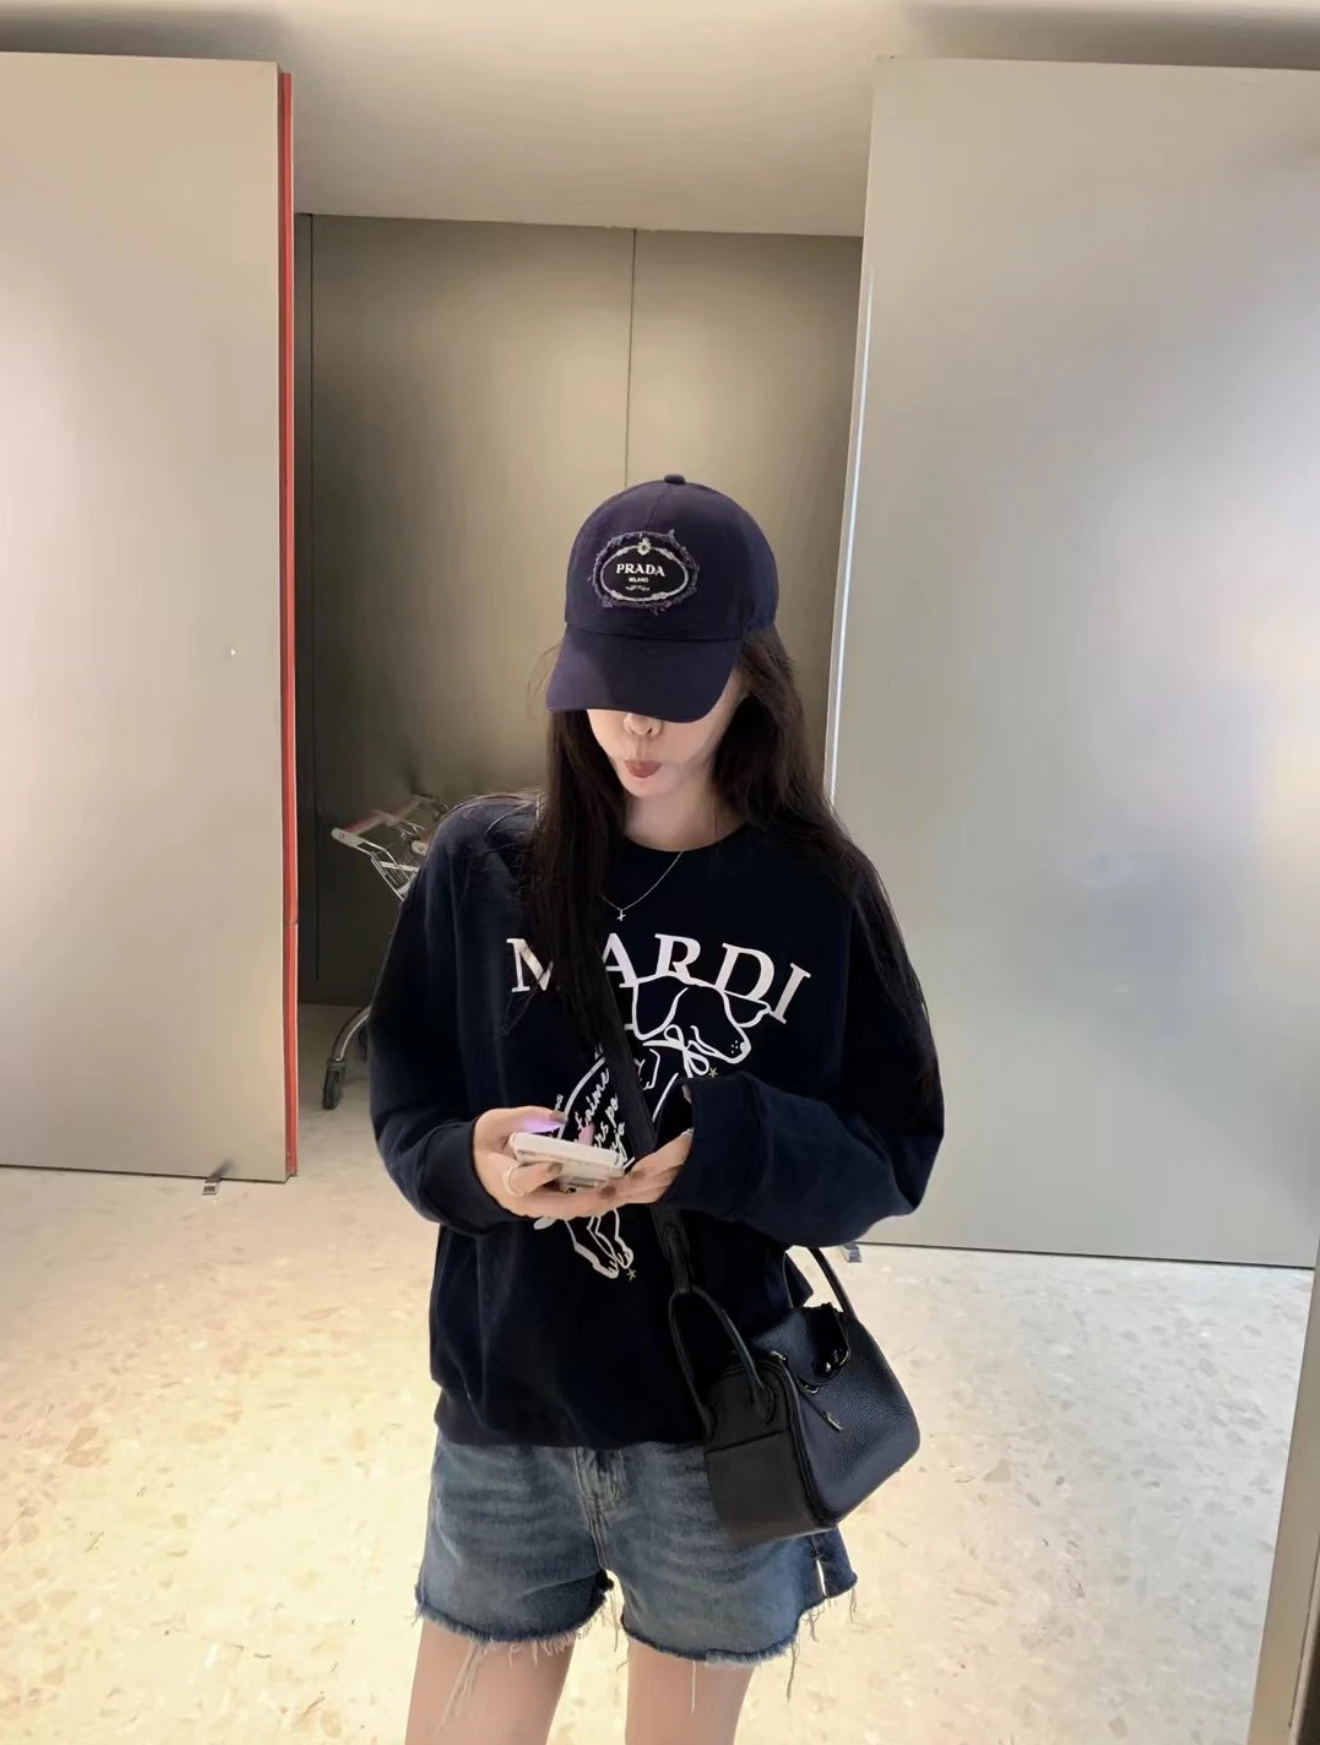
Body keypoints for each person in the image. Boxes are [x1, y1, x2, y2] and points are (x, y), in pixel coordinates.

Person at [369, 475, 944, 1745]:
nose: (636, 720)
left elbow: (891, 1155)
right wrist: (471, 1162)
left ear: (750, 674)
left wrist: (725, 1148)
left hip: (713, 1432)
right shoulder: (482, 866)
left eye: (679, 682)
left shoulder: (818, 896)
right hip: (508, 1413)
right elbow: (410, 1104)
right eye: (610, 677)